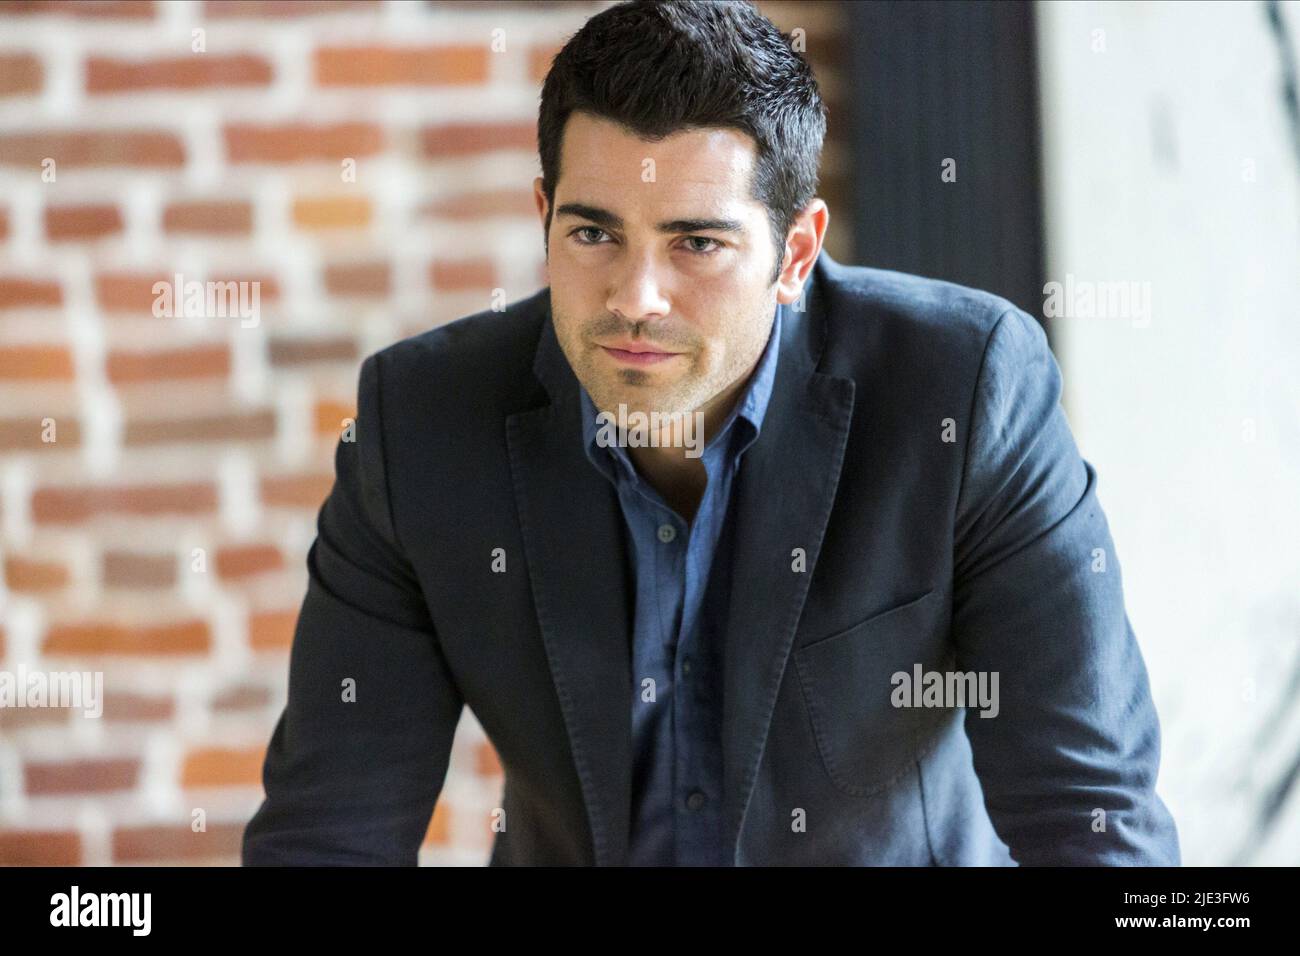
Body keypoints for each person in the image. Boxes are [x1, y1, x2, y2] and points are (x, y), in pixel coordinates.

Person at [243, 0, 1179, 866]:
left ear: (795, 253)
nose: (636, 297)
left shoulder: (963, 393)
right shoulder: (421, 426)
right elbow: (328, 834)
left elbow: (1090, 816)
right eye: (594, 234)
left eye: (697, 243)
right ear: (544, 218)